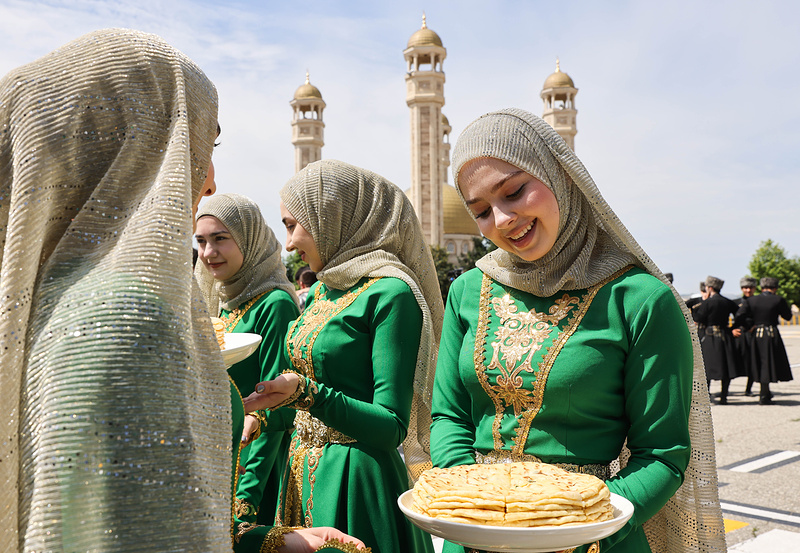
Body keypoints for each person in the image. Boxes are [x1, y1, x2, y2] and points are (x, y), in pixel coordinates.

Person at [0, 28, 366, 553]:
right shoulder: (123, 315)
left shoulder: (47, 298)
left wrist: (267, 539)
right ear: (128, 149)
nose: (210, 179)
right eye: (200, 144)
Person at [428, 109, 725, 553]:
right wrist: (472, 504)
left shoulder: (639, 299)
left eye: (513, 192)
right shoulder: (469, 290)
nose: (503, 218)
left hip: (591, 535)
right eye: (481, 212)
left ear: (560, 175)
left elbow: (662, 456)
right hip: (476, 535)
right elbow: (448, 417)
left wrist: (570, 528)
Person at [243, 159, 444, 553]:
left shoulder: (390, 294)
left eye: (292, 224)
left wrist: (306, 393)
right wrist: (261, 416)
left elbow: (391, 426)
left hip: (355, 482)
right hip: (298, 473)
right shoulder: (322, 291)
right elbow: (304, 396)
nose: (288, 244)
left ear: (331, 217)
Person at [194, 193, 302, 540]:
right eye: (201, 241)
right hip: (221, 462)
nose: (209, 252)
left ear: (249, 239)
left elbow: (273, 408)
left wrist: (244, 505)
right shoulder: (225, 302)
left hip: (258, 470)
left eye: (220, 239)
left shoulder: (274, 303)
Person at [737, 277, 793, 405]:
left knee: (760, 363)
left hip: (757, 334)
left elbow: (740, 316)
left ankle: (765, 392)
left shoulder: (752, 300)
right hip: (772, 334)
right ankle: (764, 394)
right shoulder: (778, 299)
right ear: (775, 288)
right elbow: (788, 316)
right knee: (770, 363)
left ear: (761, 288)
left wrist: (747, 327)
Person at [692, 276, 744, 404]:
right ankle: (724, 397)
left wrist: (694, 311)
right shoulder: (727, 302)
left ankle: (707, 396)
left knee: (707, 368)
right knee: (726, 367)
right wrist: (733, 327)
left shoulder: (707, 303)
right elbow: (741, 314)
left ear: (709, 288)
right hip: (725, 336)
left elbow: (699, 318)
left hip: (710, 337)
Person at [733, 277, 757, 396]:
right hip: (739, 335)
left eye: (750, 287)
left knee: (752, 362)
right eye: (745, 288)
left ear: (755, 288)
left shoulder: (758, 301)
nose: (748, 290)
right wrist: (732, 330)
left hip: (753, 335)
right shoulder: (736, 302)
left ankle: (748, 389)